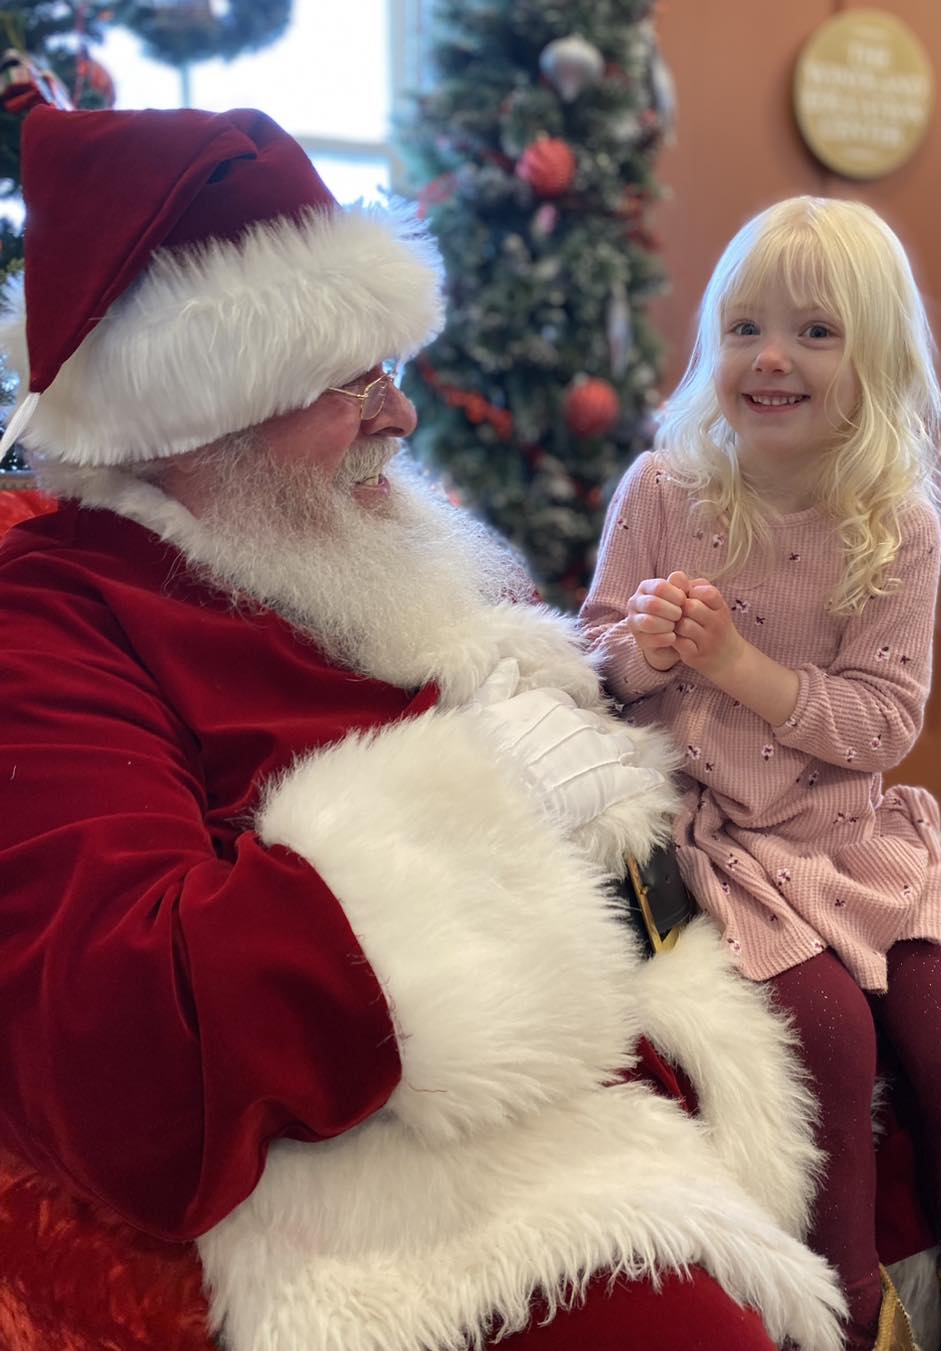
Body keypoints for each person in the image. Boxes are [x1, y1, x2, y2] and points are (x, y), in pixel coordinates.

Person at [0, 106, 848, 1351]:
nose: (397, 418)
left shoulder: (321, 535)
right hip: (410, 1185)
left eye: (387, 369)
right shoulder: (53, 622)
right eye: (350, 383)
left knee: (934, 1014)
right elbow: (124, 1041)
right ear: (195, 413)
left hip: (636, 1027)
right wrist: (484, 808)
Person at [581, 197, 941, 1351]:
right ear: (712, 346)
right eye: (744, 327)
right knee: (830, 1048)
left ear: (877, 360)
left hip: (853, 843)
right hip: (722, 848)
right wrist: (640, 652)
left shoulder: (895, 522)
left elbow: (884, 722)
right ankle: (848, 1324)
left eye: (815, 332)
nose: (772, 358)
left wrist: (737, 662)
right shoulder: (664, 491)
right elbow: (586, 669)